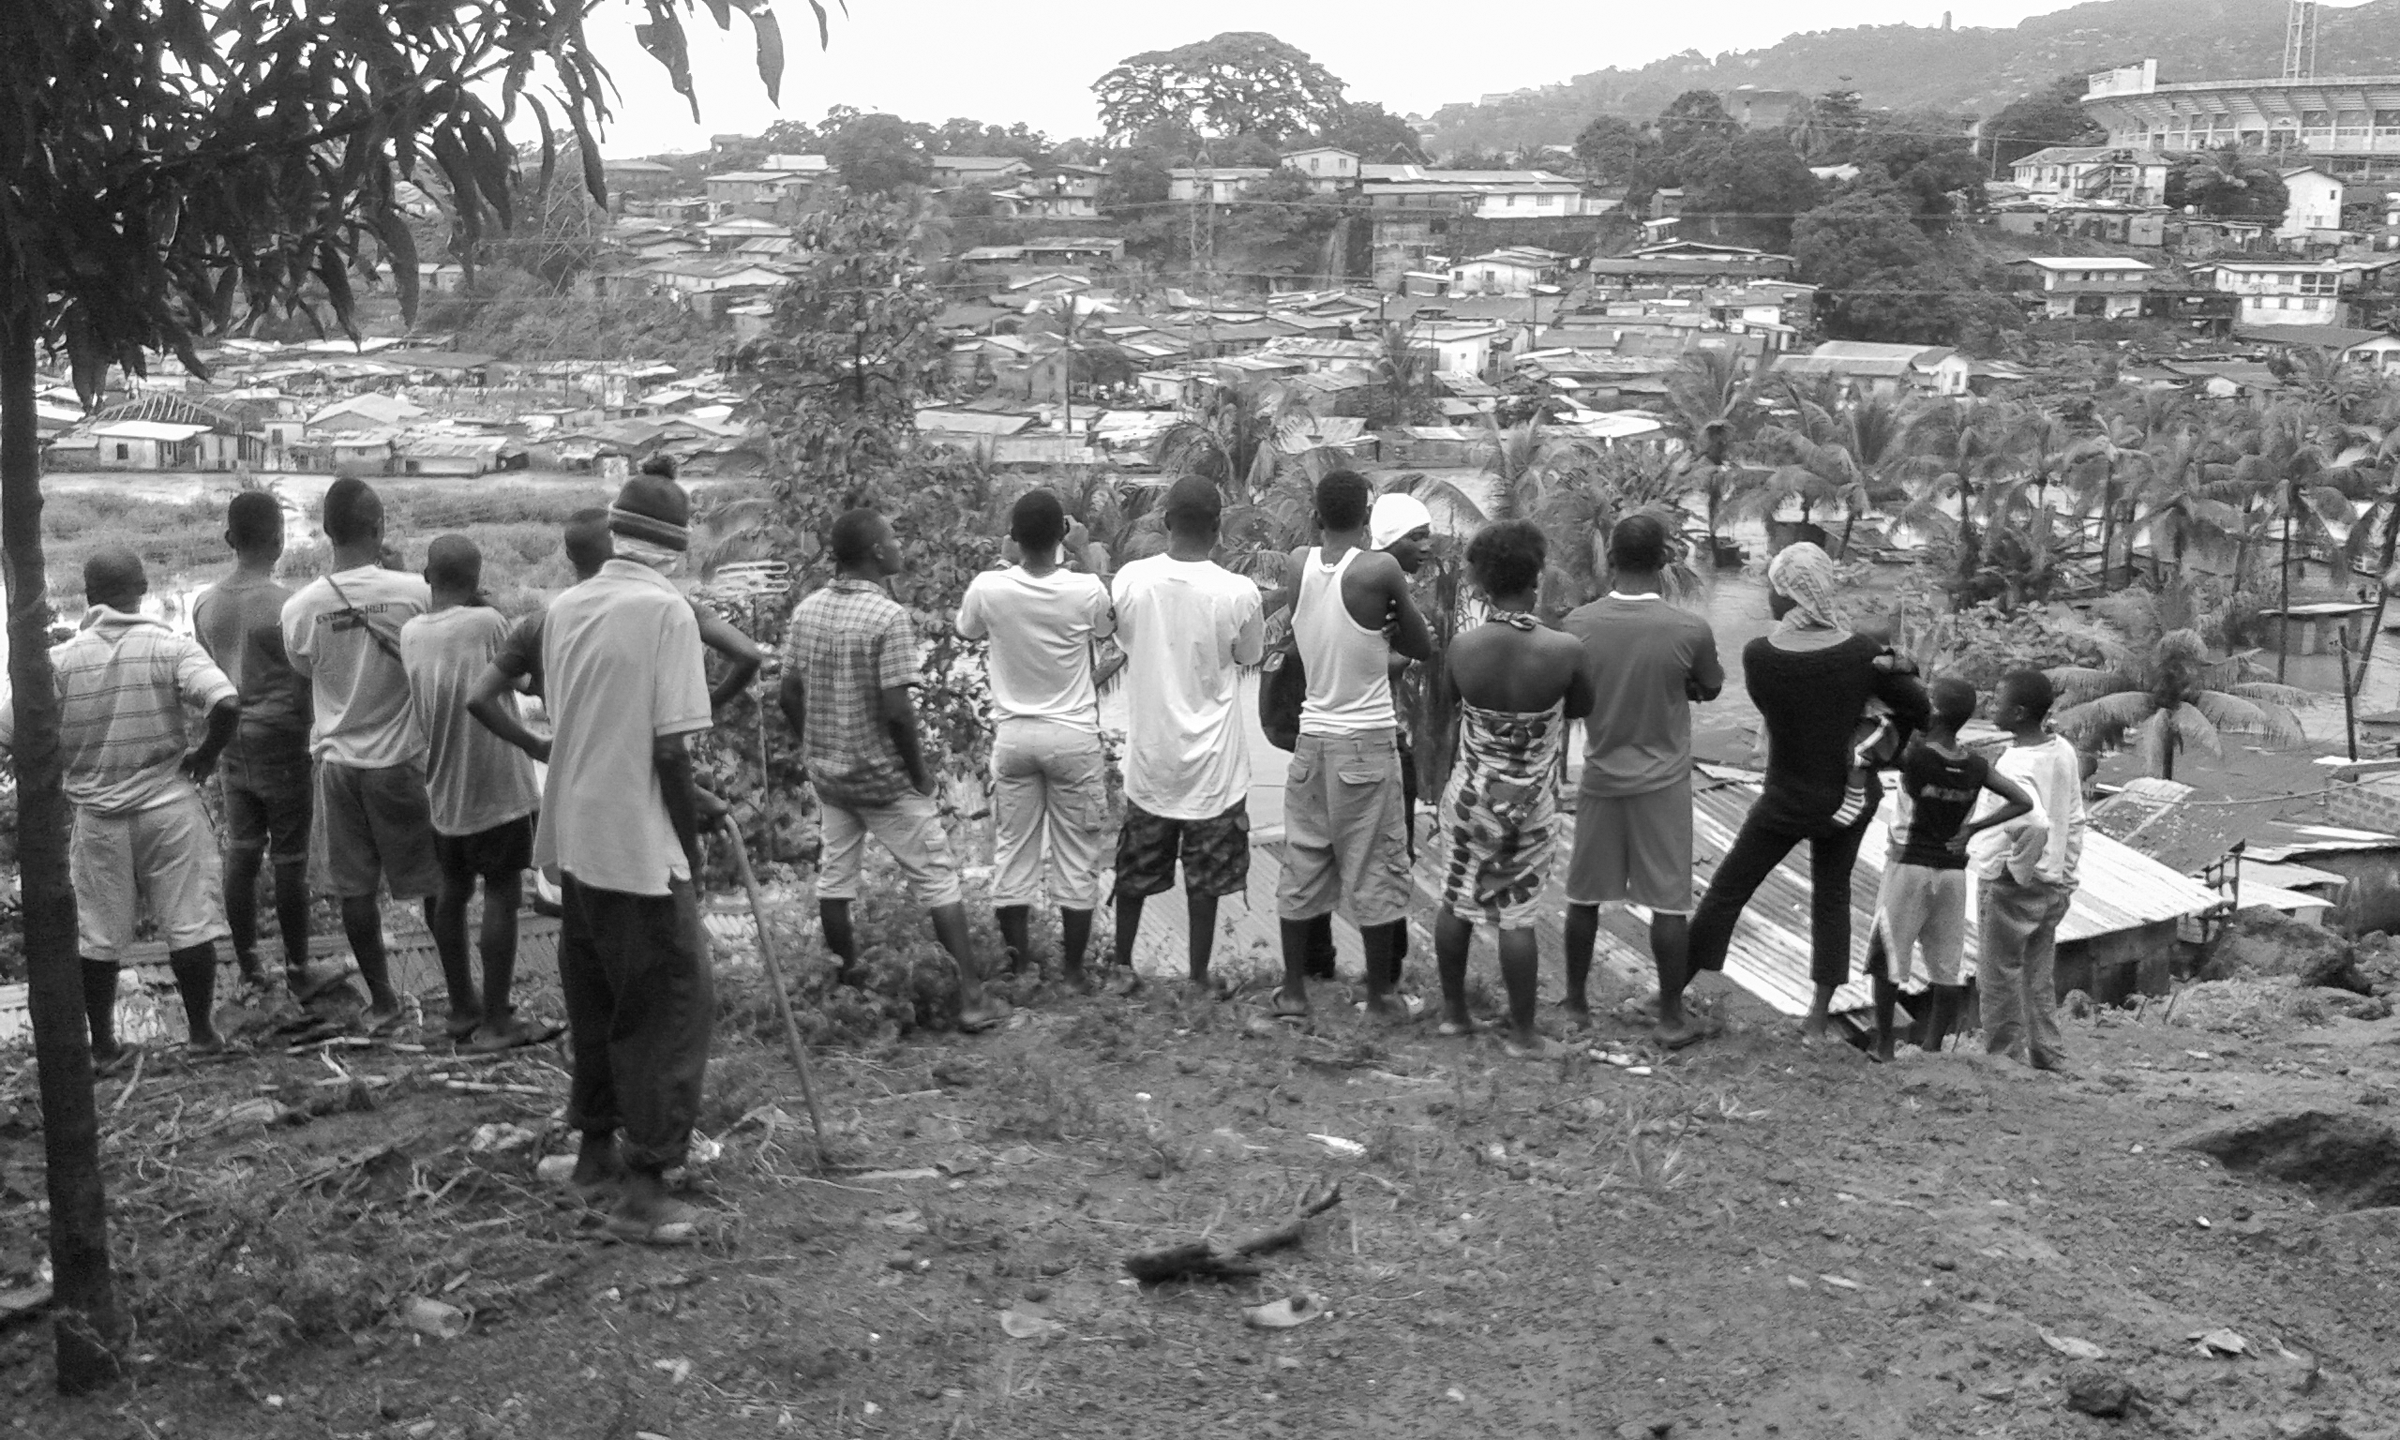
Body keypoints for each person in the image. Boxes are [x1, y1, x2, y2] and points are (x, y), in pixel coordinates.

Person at [536, 473, 726, 1242]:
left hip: (574, 837)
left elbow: (585, 724)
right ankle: (646, 1185)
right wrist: (687, 842)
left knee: (599, 1001)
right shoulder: (666, 611)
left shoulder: (564, 607)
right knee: (670, 1006)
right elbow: (671, 750)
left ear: (616, 537)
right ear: (676, 549)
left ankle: (592, 1157)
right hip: (638, 846)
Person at [1682, 543, 1930, 1044]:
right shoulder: (1864, 654)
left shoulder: (1759, 656)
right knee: (1831, 897)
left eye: (1774, 590)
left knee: (1729, 889)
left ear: (1789, 595)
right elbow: (1919, 710)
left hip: (1786, 796)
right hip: (1850, 797)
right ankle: (1817, 1018)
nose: (1770, 600)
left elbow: (1778, 715)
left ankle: (1673, 990)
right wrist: (1873, 723)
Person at [0, 550, 240, 1063]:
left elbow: (6, 727)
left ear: (88, 596)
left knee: (99, 934)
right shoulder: (169, 647)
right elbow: (226, 702)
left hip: (98, 818)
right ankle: (201, 1035)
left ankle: (104, 1046)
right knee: (189, 921)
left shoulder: (59, 663)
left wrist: (52, 766)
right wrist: (206, 754)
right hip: (169, 809)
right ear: (143, 586)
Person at [781, 508, 1009, 1031]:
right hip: (883, 779)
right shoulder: (888, 618)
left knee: (835, 880)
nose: (899, 544)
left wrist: (815, 747)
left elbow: (789, 692)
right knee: (937, 876)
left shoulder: (808, 610)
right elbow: (897, 711)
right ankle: (972, 998)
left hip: (832, 779)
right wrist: (920, 775)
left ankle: (848, 990)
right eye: (892, 538)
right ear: (877, 554)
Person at [1271, 470, 1434, 1021]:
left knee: (1303, 863)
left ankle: (1293, 991)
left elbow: (1320, 635)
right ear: (1368, 518)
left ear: (1315, 516)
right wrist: (1392, 630)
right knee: (1377, 868)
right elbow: (1420, 644)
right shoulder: (1380, 568)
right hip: (1365, 741)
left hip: (1311, 739)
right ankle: (1382, 997)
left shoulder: (1297, 563)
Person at [280, 478, 437, 1035]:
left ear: (326, 532)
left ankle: (384, 1000)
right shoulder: (417, 591)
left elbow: (308, 677)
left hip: (340, 765)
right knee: (431, 882)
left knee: (356, 890)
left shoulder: (301, 608)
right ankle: (460, 994)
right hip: (403, 762)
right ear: (380, 528)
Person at [1560, 512, 1723, 1042]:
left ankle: (1577, 1006)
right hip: (1663, 783)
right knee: (1669, 904)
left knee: (1583, 898)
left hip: (1602, 777)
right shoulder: (1689, 629)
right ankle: (1672, 1017)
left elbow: (1570, 697)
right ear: (1664, 563)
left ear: (1609, 561)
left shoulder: (1577, 626)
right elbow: (1710, 685)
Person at [1431, 521, 1592, 1057]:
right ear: (1537, 576)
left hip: (1470, 797)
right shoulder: (1565, 649)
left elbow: (1449, 703)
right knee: (1516, 917)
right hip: (1530, 804)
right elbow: (1584, 707)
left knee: (1455, 902)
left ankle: (1454, 1017)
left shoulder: (1464, 647)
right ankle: (1523, 1034)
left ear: (1481, 582)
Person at [1107, 476, 1266, 991]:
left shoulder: (1131, 580)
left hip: (1151, 761)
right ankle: (1198, 977)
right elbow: (1248, 657)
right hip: (1214, 765)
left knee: (1134, 871)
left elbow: (1121, 637)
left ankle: (1121, 967)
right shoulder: (1238, 591)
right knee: (1206, 881)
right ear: (1218, 528)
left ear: (1165, 522)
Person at [955, 489, 1116, 988]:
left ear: (1012, 539)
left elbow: (967, 632)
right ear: (1063, 538)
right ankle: (1072, 972)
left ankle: (1019, 967)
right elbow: (1108, 627)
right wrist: (1086, 556)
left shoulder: (989, 587)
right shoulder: (1085, 589)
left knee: (1013, 852)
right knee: (1077, 856)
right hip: (1073, 737)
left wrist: (1006, 564)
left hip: (1015, 735)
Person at [402, 535, 548, 1051]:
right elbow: (526, 681)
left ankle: (462, 1008)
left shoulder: (410, 632)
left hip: (442, 786)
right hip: (498, 783)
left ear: (427, 576)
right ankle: (496, 1023)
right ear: (479, 575)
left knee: (451, 893)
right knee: (503, 894)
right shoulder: (487, 624)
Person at [190, 491, 320, 996]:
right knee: (290, 860)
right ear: (279, 541)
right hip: (284, 740)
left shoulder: (204, 604)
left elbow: (207, 675)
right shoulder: (288, 605)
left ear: (229, 539)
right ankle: (297, 969)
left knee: (242, 854)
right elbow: (305, 678)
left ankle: (248, 967)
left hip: (231, 742)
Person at [1863, 676, 2032, 1061]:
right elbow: (2022, 801)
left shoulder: (1915, 758)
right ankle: (1933, 1049)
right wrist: (1972, 828)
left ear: (1934, 712)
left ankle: (1884, 1045)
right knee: (1946, 966)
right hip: (1954, 872)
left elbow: (1871, 751)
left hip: (1908, 867)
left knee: (1888, 957)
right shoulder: (1975, 765)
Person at [1967, 670, 2087, 1074]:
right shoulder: (2062, 749)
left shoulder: (2015, 765)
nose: (1989, 705)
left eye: (1997, 700)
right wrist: (2065, 873)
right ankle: (2048, 1055)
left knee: (1998, 976)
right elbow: (2073, 817)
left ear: (2018, 713)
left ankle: (2005, 1062)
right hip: (2053, 880)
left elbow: (2034, 823)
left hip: (2011, 882)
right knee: (2037, 974)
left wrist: (2014, 872)